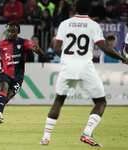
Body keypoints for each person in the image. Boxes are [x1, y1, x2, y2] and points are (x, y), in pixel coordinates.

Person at [39, 0, 128, 146]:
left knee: (59, 100)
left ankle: (45, 138)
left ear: (74, 9)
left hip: (67, 67)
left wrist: (68, 59)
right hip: (85, 66)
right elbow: (104, 48)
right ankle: (86, 133)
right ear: (89, 11)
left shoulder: (65, 24)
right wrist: (123, 59)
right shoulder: (94, 25)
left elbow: (56, 48)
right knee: (100, 101)